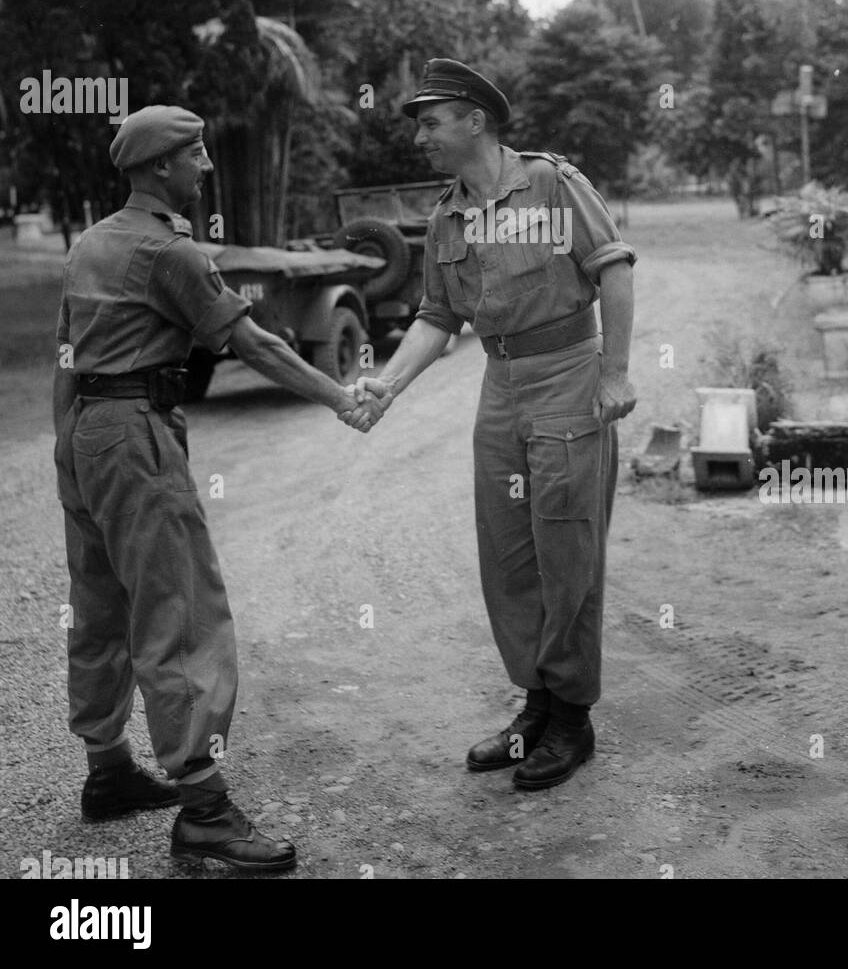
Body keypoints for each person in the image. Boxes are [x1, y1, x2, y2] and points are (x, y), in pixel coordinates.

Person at [53, 105, 377, 872]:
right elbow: (253, 342)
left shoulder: (91, 244)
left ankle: (107, 771)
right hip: (137, 434)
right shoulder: (172, 252)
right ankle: (203, 809)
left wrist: (65, 451)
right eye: (196, 156)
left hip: (87, 432)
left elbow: (66, 355)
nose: (204, 167)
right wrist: (339, 397)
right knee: (181, 608)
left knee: (100, 601)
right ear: (161, 168)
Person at [349, 59, 636, 791]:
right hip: (500, 383)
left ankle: (571, 716)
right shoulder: (447, 215)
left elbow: (614, 268)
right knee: (507, 554)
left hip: (569, 372)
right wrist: (386, 386)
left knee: (566, 546)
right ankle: (536, 703)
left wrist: (614, 371)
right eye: (418, 124)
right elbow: (437, 317)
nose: (420, 136)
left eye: (430, 121)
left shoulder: (551, 184)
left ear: (475, 120)